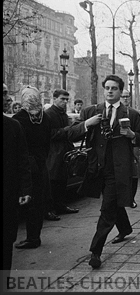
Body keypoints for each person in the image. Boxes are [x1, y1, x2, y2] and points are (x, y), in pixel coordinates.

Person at [69, 75, 140, 269]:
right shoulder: (91, 111)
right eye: (107, 88)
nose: (110, 91)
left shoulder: (132, 113)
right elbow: (71, 132)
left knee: (107, 209)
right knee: (113, 204)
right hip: (96, 168)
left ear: (121, 91)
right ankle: (125, 228)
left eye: (114, 88)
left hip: (117, 170)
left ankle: (96, 252)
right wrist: (88, 124)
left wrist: (131, 135)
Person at [12, 86, 53, 249]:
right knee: (37, 203)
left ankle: (29, 238)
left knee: (24, 201)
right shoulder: (46, 118)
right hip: (40, 164)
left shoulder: (18, 118)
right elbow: (48, 143)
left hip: (24, 166)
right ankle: (34, 236)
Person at [3, 83, 32, 274]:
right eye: (3, 94)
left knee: (6, 241)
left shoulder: (13, 126)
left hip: (7, 195)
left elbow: (23, 160)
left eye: (6, 93)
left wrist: (25, 189)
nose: (7, 98)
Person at [44, 89, 80, 222]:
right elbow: (49, 134)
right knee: (53, 181)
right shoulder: (48, 114)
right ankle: (49, 210)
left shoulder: (63, 114)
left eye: (66, 99)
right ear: (54, 99)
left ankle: (60, 205)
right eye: (62, 99)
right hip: (54, 152)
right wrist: (66, 130)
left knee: (62, 180)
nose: (65, 102)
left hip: (64, 151)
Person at [120, 89, 140, 210]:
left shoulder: (135, 113)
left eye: (127, 96)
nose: (125, 99)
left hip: (133, 147)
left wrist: (134, 136)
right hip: (120, 147)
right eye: (123, 96)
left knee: (134, 174)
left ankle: (131, 198)